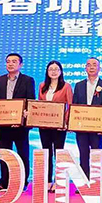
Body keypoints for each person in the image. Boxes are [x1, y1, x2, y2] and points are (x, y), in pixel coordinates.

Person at [0, 53, 36, 192]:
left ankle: (22, 182)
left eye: (14, 61)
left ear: (20, 65)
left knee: (22, 154)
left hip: (20, 126)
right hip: (3, 125)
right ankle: (4, 182)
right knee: (4, 154)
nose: (10, 64)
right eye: (8, 61)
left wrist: (24, 118)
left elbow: (30, 101)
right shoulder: (0, 80)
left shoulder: (28, 80)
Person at [72, 57, 102, 180]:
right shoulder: (79, 85)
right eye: (89, 65)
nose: (92, 67)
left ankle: (95, 181)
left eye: (94, 65)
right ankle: (84, 181)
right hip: (81, 127)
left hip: (97, 127)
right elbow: (75, 105)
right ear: (85, 68)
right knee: (83, 154)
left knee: (96, 154)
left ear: (99, 68)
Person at [37, 60, 72, 193]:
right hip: (44, 126)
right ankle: (47, 181)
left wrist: (65, 122)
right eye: (51, 69)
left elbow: (70, 105)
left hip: (59, 127)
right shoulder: (42, 86)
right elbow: (39, 104)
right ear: (47, 71)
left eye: (56, 69)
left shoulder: (66, 86)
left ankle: (59, 181)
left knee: (59, 153)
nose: (53, 72)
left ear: (61, 71)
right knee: (46, 153)